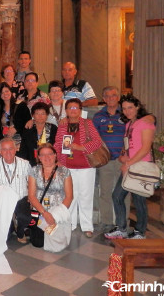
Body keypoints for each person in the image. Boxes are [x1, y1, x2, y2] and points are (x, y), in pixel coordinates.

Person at [104, 94, 155, 240]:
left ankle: (140, 232)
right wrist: (122, 156)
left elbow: (145, 148)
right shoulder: (128, 124)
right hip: (130, 165)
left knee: (139, 200)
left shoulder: (145, 122)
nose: (127, 111)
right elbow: (127, 145)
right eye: (124, 108)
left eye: (130, 108)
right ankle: (121, 228)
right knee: (117, 196)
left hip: (140, 166)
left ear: (137, 107)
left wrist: (128, 163)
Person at [54, 98, 103, 238]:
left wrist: (80, 147)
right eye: (70, 108)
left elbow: (97, 141)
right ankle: (70, 224)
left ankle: (87, 226)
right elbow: (58, 144)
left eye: (76, 108)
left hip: (86, 166)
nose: (73, 110)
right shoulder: (63, 125)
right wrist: (59, 160)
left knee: (86, 196)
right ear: (66, 111)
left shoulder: (87, 123)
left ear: (80, 111)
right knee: (70, 196)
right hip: (67, 166)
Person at [92, 86, 131, 231]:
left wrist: (126, 151)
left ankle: (123, 221)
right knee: (105, 191)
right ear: (103, 99)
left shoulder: (126, 114)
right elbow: (94, 138)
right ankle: (107, 221)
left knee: (124, 192)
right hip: (105, 161)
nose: (110, 98)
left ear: (118, 97)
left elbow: (132, 135)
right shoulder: (98, 117)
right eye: (107, 96)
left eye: (113, 95)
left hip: (123, 160)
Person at [28, 143, 73, 251]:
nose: (46, 157)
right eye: (42, 155)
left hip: (57, 210)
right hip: (40, 211)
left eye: (50, 154)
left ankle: (56, 226)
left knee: (56, 246)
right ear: (38, 157)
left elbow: (69, 196)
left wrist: (55, 215)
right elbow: (31, 196)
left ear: (55, 155)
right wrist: (45, 213)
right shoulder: (34, 170)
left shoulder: (64, 171)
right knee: (37, 243)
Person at [0, 138, 33, 243]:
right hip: (3, 202)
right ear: (0, 152)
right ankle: (12, 224)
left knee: (24, 217)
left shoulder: (25, 164)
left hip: (21, 199)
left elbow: (31, 182)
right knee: (5, 238)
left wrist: (31, 197)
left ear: (16, 149)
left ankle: (20, 231)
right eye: (4, 149)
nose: (8, 152)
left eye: (11, 149)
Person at [20, 102, 58, 166]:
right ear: (33, 115)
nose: (40, 116)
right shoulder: (28, 128)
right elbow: (23, 149)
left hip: (49, 162)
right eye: (37, 113)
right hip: (31, 163)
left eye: (43, 113)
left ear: (47, 115)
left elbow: (57, 146)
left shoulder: (53, 128)